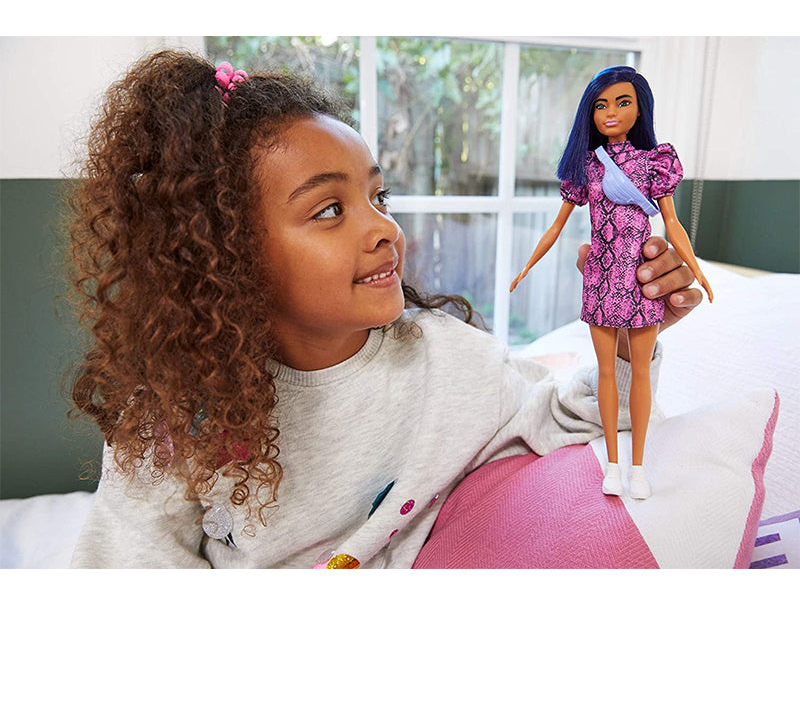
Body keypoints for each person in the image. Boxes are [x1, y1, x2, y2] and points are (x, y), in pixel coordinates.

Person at [68, 51, 703, 569]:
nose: (384, 230)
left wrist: (629, 339)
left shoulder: (447, 360)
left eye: (379, 197)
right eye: (328, 210)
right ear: (227, 252)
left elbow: (565, 416)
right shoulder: (173, 416)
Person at [510, 66, 712, 501]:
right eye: (601, 105)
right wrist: (527, 265)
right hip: (601, 276)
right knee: (606, 371)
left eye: (622, 102)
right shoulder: (587, 166)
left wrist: (697, 269)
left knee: (639, 371)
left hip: (639, 279)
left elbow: (672, 222)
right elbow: (557, 225)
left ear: (640, 109)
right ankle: (614, 466)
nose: (611, 112)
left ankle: (639, 467)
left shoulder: (653, 163)